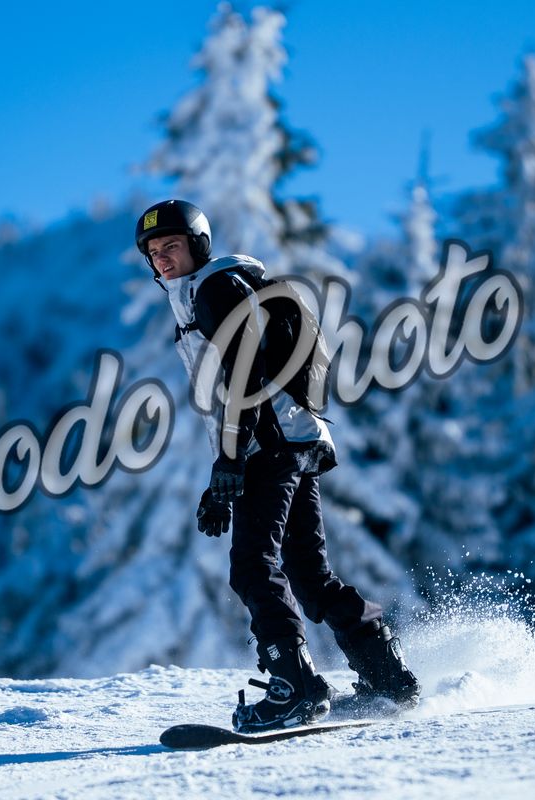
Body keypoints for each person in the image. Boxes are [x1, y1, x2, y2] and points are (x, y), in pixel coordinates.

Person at [134, 199, 420, 733]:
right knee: (309, 575)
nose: (162, 258)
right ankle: (387, 675)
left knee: (252, 567)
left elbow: (246, 372)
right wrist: (223, 473)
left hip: (270, 443)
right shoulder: (210, 293)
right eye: (153, 252)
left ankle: (296, 689)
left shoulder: (215, 290)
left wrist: (230, 459)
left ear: (198, 245)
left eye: (172, 245)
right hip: (290, 440)